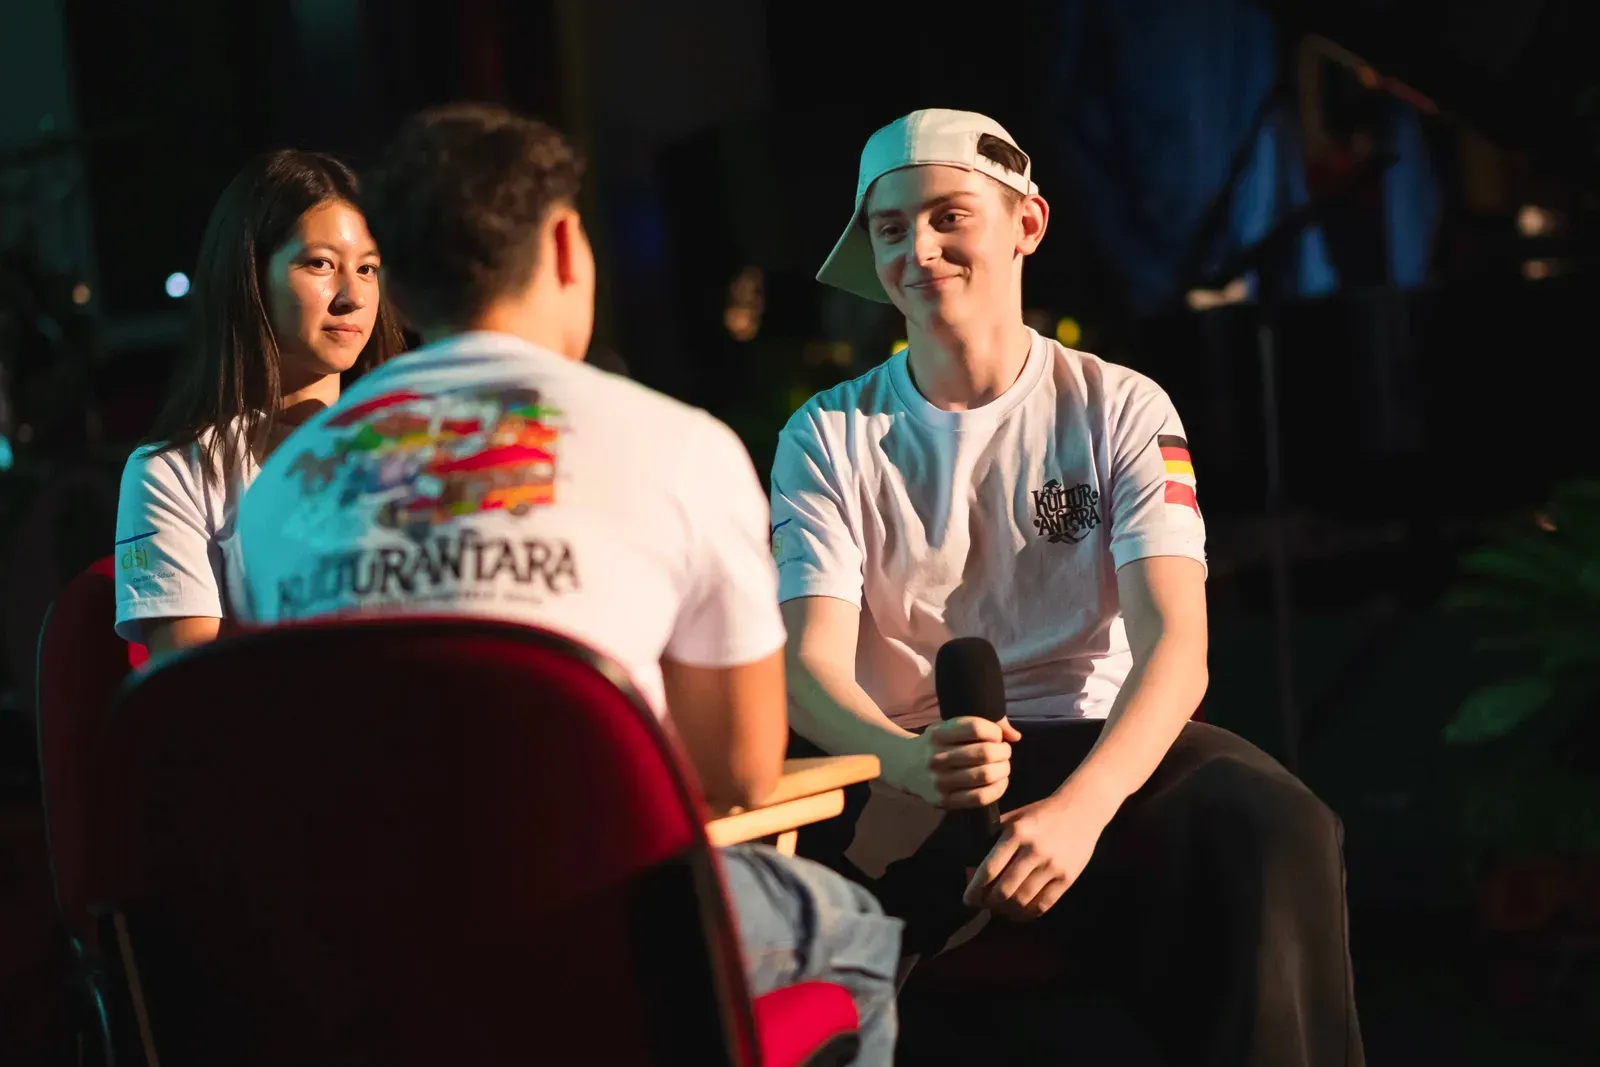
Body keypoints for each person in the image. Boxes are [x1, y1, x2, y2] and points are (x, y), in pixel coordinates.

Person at [230, 104, 900, 1063]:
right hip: (598, 925)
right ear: (562, 245)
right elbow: (741, 771)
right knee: (857, 934)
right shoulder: (681, 448)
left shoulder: (280, 489)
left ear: (400, 282)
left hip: (357, 958)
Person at [773, 108, 1364, 1066]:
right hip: (906, 761)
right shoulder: (826, 434)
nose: (919, 249)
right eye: (891, 228)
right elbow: (809, 669)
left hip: (1103, 749)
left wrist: (1082, 809)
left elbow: (1177, 646)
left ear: (1027, 224)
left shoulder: (1120, 405)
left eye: (949, 216)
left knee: (1278, 823)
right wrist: (903, 759)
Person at [113, 150, 405, 657]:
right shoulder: (176, 472)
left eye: (367, 268)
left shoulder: (412, 437)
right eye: (320, 264)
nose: (353, 296)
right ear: (250, 275)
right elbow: (194, 687)